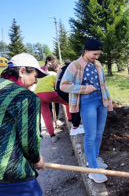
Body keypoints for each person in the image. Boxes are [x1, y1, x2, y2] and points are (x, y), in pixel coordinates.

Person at [60, 38, 113, 184]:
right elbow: (64, 86)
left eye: (99, 54)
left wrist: (108, 100)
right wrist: (85, 89)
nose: (97, 57)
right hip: (87, 100)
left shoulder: (98, 64)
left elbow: (104, 84)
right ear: (86, 51)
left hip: (100, 99)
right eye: (95, 54)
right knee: (90, 134)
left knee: (99, 132)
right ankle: (93, 171)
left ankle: (94, 159)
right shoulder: (75, 65)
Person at [0, 53, 48, 195]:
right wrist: (37, 158)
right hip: (11, 174)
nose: (35, 81)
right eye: (34, 76)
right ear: (22, 71)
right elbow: (28, 139)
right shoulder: (25, 97)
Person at [35, 62, 72, 143]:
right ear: (56, 69)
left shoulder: (44, 74)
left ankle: (52, 136)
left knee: (46, 115)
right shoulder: (54, 75)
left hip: (37, 95)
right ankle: (70, 119)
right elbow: (58, 88)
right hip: (49, 93)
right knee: (67, 102)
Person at [55, 61, 84, 136]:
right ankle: (75, 127)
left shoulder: (61, 69)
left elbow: (57, 80)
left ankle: (74, 124)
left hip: (59, 89)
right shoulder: (73, 69)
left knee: (72, 104)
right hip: (66, 89)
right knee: (77, 105)